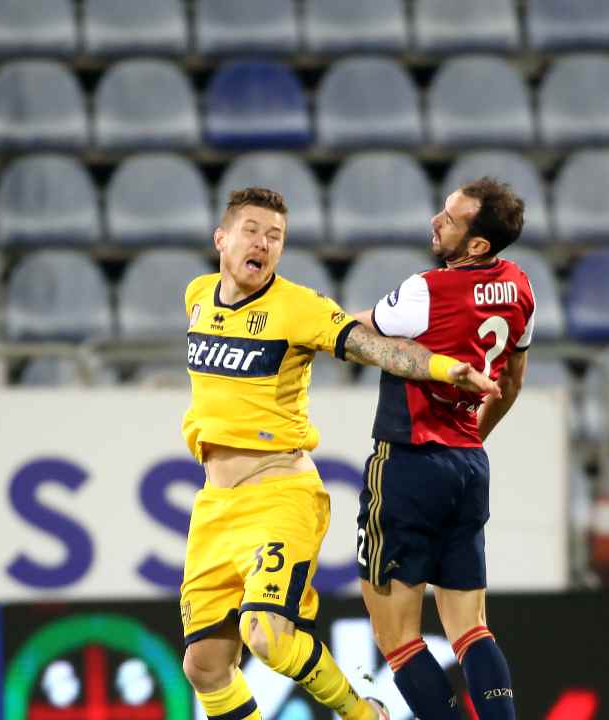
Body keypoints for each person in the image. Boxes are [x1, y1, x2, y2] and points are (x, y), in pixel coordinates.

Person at [179, 187, 500, 720]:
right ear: (222, 238)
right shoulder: (197, 296)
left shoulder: (297, 308)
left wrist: (446, 369)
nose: (264, 243)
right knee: (205, 666)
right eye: (253, 231)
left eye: (276, 236)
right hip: (214, 507)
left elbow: (376, 348)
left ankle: (362, 713)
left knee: (267, 637)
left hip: (279, 495)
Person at [350, 177, 534, 720]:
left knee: (398, 638)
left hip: (407, 462)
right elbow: (514, 381)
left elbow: (350, 334)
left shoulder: (427, 291)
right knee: (470, 627)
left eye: (450, 219)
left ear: (477, 245)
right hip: (469, 466)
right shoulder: (521, 286)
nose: (436, 221)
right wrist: (472, 433)